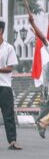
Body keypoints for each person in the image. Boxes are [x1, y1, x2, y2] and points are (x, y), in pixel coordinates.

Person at [0, 21, 20, 150]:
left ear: (0, 30)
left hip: (4, 86)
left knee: (8, 115)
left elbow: (10, 68)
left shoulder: (8, 48)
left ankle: (12, 141)